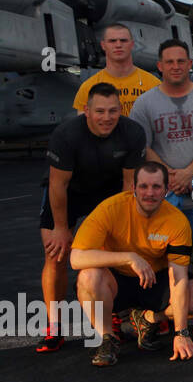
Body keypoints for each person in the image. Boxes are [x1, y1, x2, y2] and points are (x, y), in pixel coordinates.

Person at [71, 162, 193, 367]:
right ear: (133, 188)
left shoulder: (177, 221)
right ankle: (107, 339)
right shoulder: (110, 209)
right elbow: (76, 258)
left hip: (154, 279)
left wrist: (181, 333)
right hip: (116, 279)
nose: (150, 193)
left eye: (156, 187)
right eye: (144, 187)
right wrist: (128, 257)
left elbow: (179, 277)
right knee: (88, 277)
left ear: (166, 190)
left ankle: (149, 319)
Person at [37, 83, 145, 352]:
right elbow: (57, 186)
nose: (106, 117)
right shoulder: (66, 135)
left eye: (112, 111)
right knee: (56, 253)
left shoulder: (132, 132)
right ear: (86, 111)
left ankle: (112, 318)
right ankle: (54, 326)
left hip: (109, 192)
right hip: (69, 192)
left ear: (120, 110)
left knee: (111, 251)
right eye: (99, 111)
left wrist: (119, 227)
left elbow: (128, 184)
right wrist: (62, 228)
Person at [132, 40, 193, 301]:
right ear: (159, 66)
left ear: (190, 64)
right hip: (160, 187)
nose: (175, 66)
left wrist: (189, 172)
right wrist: (169, 175)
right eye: (169, 62)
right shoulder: (145, 103)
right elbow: (144, 146)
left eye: (181, 61)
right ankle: (158, 307)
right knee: (158, 248)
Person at [72, 23, 159, 116]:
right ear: (103, 45)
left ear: (132, 44)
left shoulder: (153, 85)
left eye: (123, 40)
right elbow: (83, 127)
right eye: (112, 41)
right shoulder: (88, 88)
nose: (118, 45)